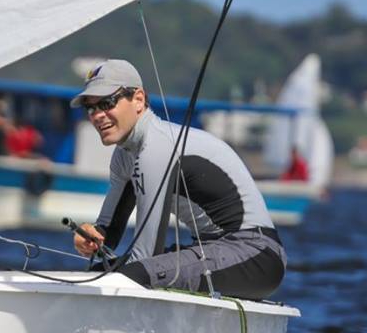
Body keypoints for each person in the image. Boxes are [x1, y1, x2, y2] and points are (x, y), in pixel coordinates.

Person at [70, 59, 286, 300]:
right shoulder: (124, 157)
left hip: (257, 256)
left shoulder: (158, 147)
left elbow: (146, 255)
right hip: (214, 251)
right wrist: (90, 236)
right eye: (90, 108)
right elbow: (107, 233)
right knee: (102, 271)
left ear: (139, 100)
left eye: (107, 103)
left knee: (132, 274)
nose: (98, 115)